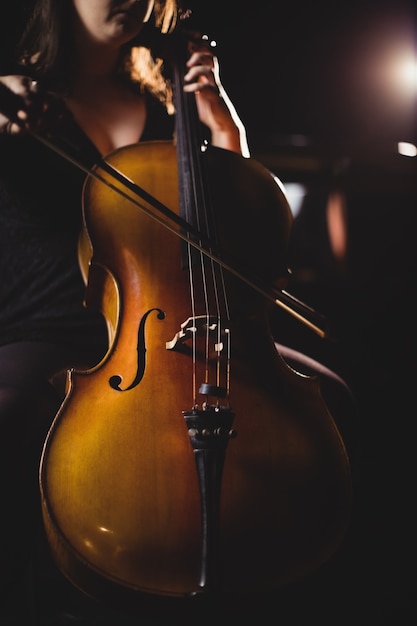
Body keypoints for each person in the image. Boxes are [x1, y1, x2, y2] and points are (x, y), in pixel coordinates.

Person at [0, 1, 357, 623]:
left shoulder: (170, 110)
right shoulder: (18, 101)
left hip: (172, 324)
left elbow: (241, 220)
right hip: (51, 323)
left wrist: (224, 129)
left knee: (333, 398)